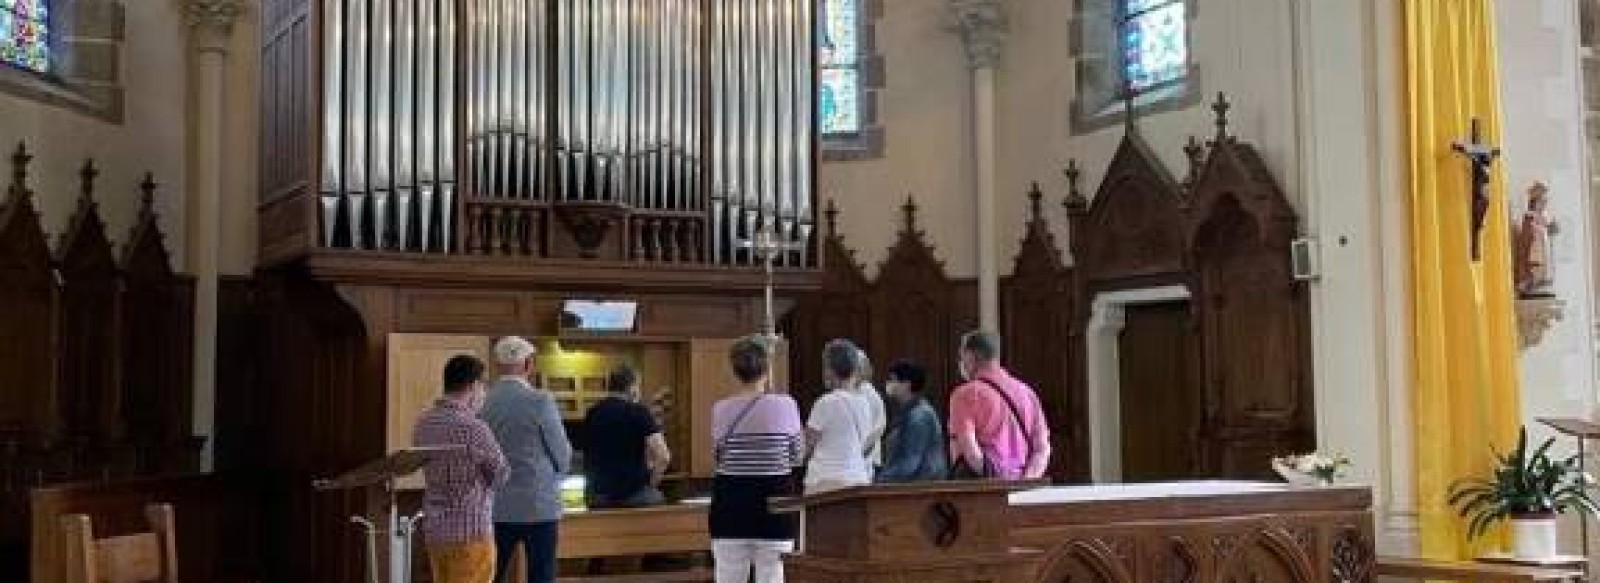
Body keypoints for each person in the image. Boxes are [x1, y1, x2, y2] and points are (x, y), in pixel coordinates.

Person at [709, 335, 803, 583]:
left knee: (729, 576)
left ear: (734, 370)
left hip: (730, 501)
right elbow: (797, 455)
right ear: (767, 368)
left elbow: (718, 458)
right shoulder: (787, 405)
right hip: (776, 499)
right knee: (772, 575)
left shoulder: (720, 409)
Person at [479, 336, 572, 583]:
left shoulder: (482, 402)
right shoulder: (540, 400)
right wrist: (558, 477)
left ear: (497, 365)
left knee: (492, 574)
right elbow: (561, 452)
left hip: (495, 505)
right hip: (538, 504)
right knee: (540, 575)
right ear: (529, 364)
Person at [413, 355, 508, 583]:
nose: (484, 394)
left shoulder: (424, 423)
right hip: (470, 531)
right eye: (483, 387)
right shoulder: (474, 427)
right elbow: (502, 474)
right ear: (474, 386)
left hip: (436, 530)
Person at [947, 330, 1051, 480]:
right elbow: (1042, 448)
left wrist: (994, 480)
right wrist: (1026, 481)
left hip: (983, 491)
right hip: (1021, 489)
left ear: (970, 356)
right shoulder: (1028, 393)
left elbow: (969, 449)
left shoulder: (965, 394)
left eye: (961, 356)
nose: (961, 363)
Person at [582, 365, 672, 508]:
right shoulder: (638, 412)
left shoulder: (592, 413)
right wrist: (651, 484)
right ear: (632, 388)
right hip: (634, 495)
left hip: (598, 496)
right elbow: (664, 456)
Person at [803, 339, 875, 494]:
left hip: (826, 482)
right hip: (858, 479)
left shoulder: (826, 403)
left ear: (829, 370)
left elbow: (806, 446)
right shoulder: (864, 403)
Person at [875, 360, 948, 483]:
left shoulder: (919, 416)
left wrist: (880, 481)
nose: (889, 384)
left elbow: (909, 462)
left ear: (907, 384)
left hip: (920, 489)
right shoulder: (906, 413)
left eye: (893, 379)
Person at [851, 349, 887, 471]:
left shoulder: (866, 394)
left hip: (866, 460)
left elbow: (875, 430)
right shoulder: (856, 392)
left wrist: (858, 454)